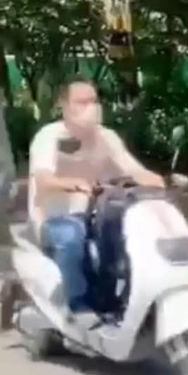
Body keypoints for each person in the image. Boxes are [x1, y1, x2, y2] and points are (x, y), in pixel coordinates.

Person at [28, 75, 165, 313]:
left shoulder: (106, 137)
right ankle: (77, 306)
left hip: (95, 215)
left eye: (94, 101)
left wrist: (153, 179)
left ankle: (116, 299)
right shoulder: (49, 136)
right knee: (72, 234)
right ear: (64, 106)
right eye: (82, 102)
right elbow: (43, 180)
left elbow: (132, 168)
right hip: (53, 219)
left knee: (132, 232)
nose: (91, 107)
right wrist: (74, 184)